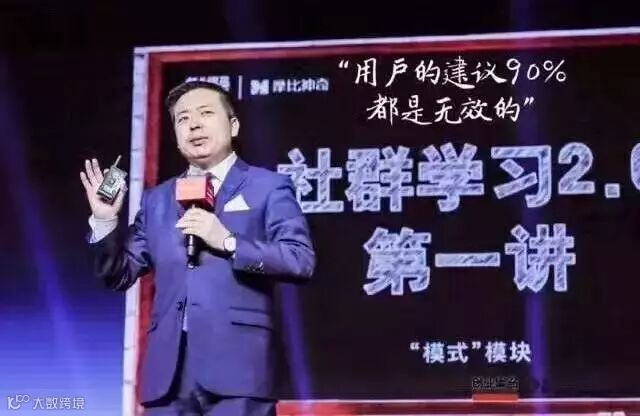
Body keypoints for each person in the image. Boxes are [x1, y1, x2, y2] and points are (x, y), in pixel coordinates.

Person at [80, 80, 315, 415]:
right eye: (183, 118)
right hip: (169, 378)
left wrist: (229, 242)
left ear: (233, 125)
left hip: (239, 373)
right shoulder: (157, 199)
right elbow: (118, 274)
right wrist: (104, 221)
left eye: (206, 113)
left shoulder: (268, 187)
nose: (193, 124)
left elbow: (299, 259)